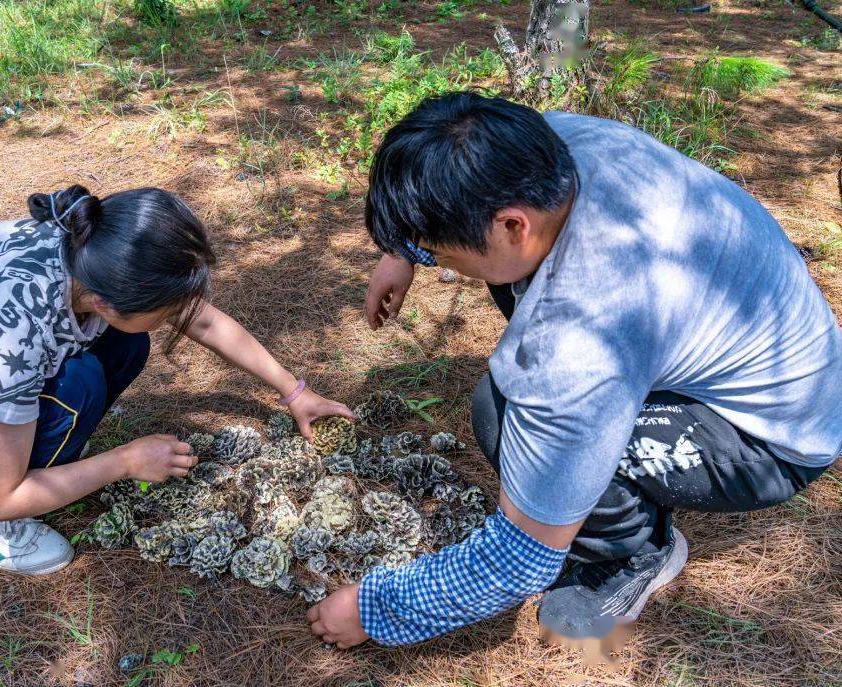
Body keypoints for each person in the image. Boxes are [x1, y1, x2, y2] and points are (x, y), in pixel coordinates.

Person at [306, 93, 840, 648]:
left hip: (773, 436)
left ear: (512, 225)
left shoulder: (580, 346)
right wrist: (406, 249)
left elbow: (519, 559)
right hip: (746, 331)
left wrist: (375, 609)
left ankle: (633, 554)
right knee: (513, 376)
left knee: (502, 416)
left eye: (437, 252)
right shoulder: (550, 144)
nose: (436, 262)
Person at [0, 184, 353, 575]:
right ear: (105, 300)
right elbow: (0, 496)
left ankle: (23, 450)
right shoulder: (13, 332)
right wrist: (124, 462)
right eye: (167, 306)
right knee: (78, 386)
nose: (183, 314)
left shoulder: (91, 248)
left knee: (125, 343)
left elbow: (204, 319)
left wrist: (295, 391)